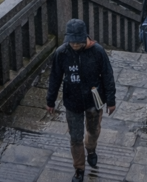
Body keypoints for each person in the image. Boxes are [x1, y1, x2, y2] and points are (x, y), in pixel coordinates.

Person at [46, 19, 117, 180]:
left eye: (78, 42)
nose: (75, 45)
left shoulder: (97, 51)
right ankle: (79, 169)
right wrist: (50, 101)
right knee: (75, 137)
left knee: (93, 131)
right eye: (72, 42)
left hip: (94, 99)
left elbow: (108, 76)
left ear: (85, 37)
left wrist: (111, 101)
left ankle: (91, 149)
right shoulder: (62, 53)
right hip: (72, 101)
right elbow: (55, 78)